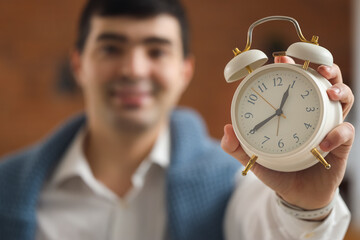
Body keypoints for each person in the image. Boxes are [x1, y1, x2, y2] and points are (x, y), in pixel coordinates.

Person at [0, 0, 354, 239]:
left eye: (156, 50)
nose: (134, 69)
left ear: (186, 70)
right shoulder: (7, 187)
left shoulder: (229, 179)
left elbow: (269, 228)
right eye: (111, 48)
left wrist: (306, 205)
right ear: (79, 65)